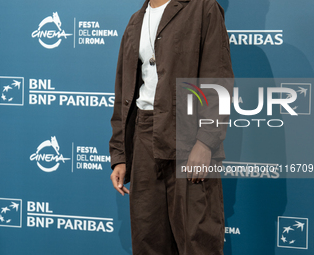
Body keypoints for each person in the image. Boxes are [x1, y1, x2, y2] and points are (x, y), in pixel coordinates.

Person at [109, 0, 233, 254]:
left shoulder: (203, 8)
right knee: (148, 239)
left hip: (188, 136)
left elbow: (216, 77)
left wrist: (206, 141)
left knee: (197, 241)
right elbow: (124, 90)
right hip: (143, 137)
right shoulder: (136, 20)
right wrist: (120, 154)